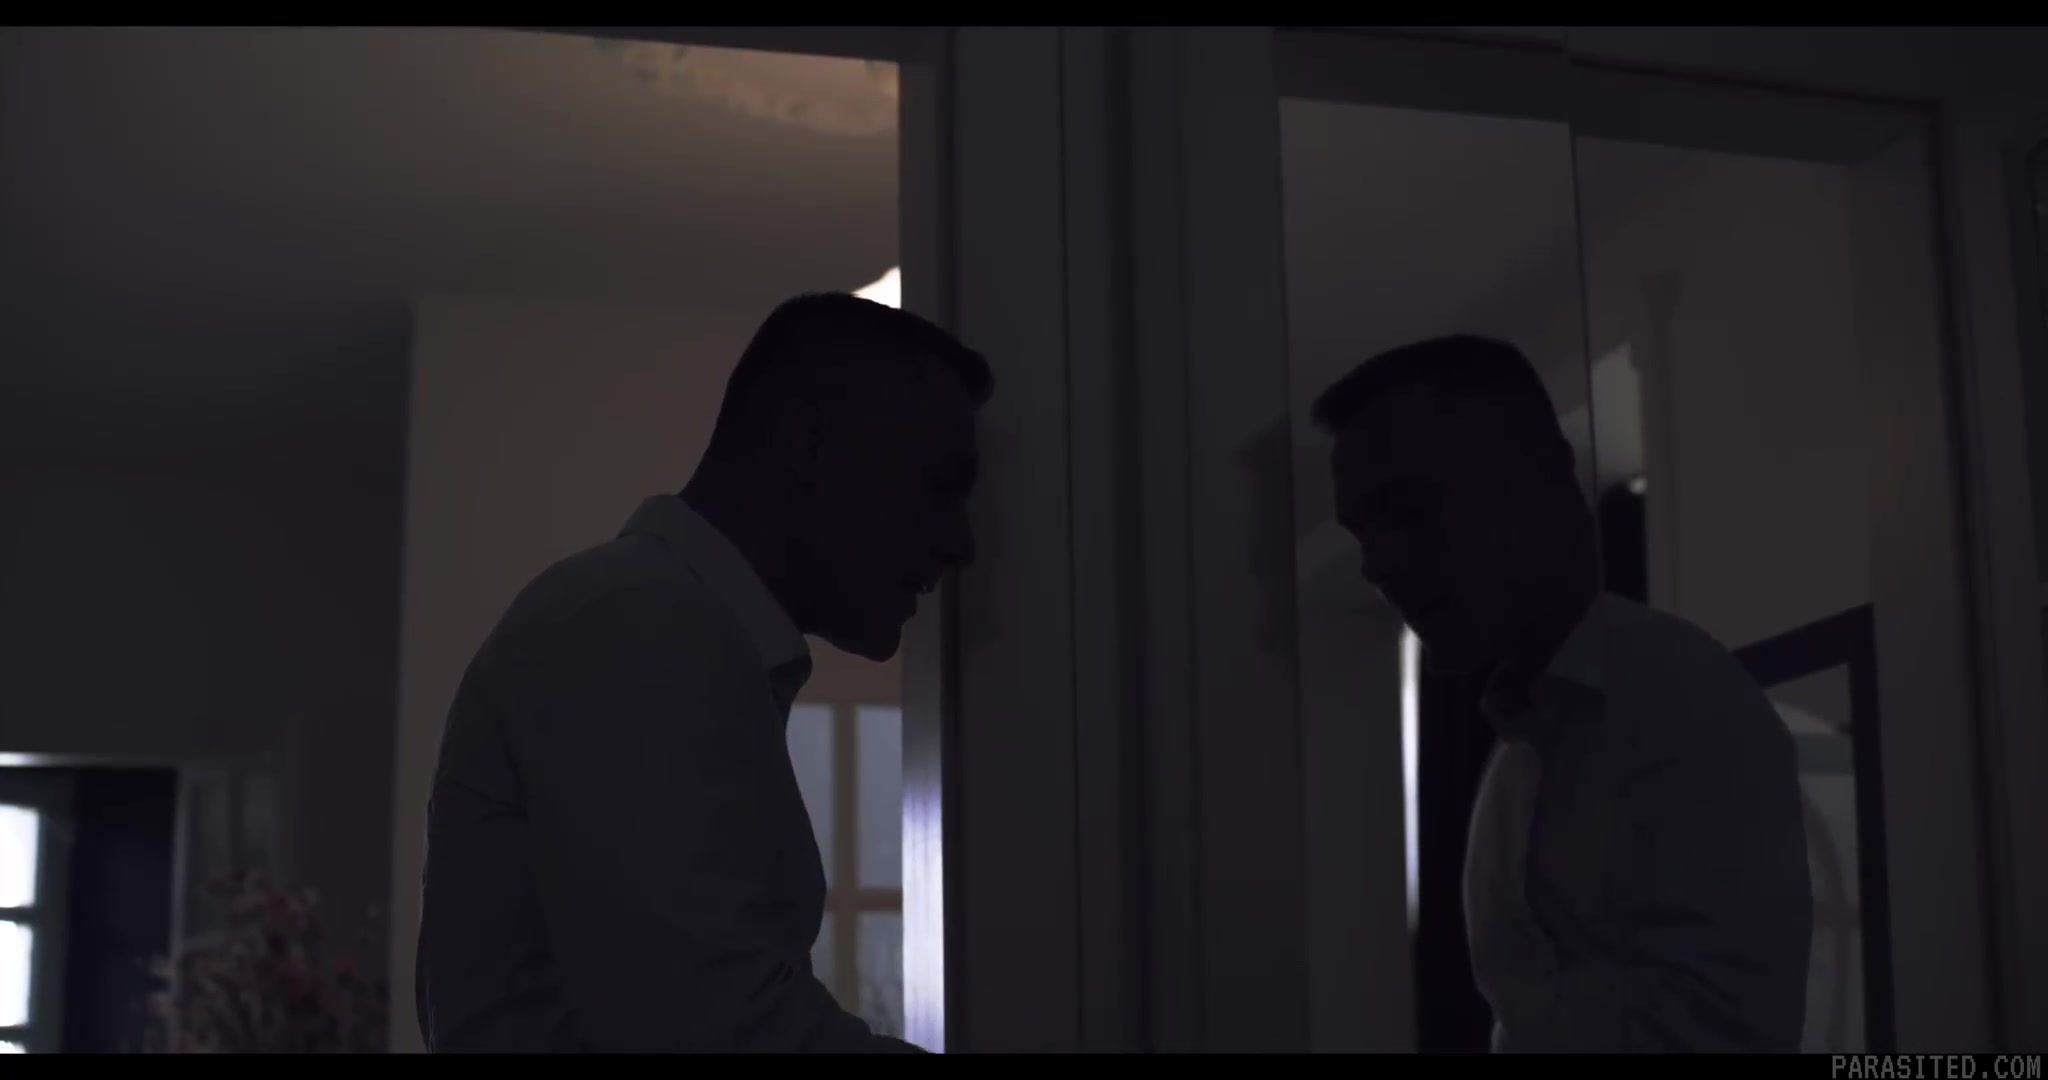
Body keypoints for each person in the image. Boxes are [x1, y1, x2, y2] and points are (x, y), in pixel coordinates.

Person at [414, 293, 989, 1053]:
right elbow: (720, 1031)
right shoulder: (636, 622)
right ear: (814, 442)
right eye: (938, 484)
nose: (961, 543)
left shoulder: (654, 625)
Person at [1311, 335, 1811, 1052]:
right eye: (1364, 535)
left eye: (1409, 510)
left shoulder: (1676, 699)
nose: (1378, 566)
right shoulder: (1517, 756)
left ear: (1541, 471)